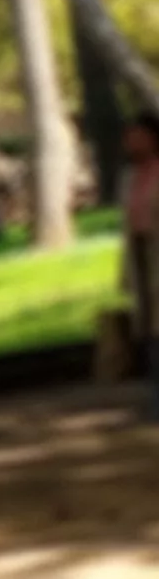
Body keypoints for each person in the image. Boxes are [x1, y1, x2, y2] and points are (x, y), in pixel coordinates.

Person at [126, 113, 159, 421]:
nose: (131, 142)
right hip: (141, 254)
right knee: (148, 326)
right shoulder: (130, 177)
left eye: (138, 135)